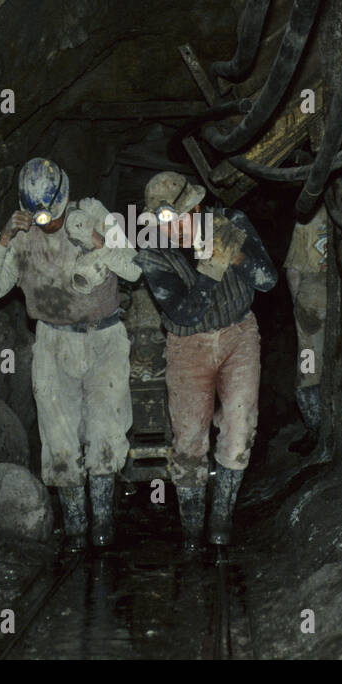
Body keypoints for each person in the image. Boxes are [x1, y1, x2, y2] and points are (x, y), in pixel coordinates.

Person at [0, 158, 138, 551]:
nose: (47, 221)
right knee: (59, 443)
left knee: (105, 435)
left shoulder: (96, 214)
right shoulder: (22, 237)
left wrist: (100, 243)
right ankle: (78, 532)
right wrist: (3, 238)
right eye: (39, 214)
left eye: (53, 213)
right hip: (52, 341)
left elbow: (134, 269)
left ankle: (103, 530)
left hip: (104, 339)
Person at [132, 171, 277, 551]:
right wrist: (212, 268)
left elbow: (268, 281)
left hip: (238, 335)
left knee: (239, 428)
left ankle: (221, 522)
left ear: (197, 207)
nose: (174, 228)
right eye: (165, 221)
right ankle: (192, 533)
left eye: (181, 217)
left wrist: (238, 254)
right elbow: (182, 314)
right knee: (189, 443)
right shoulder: (152, 251)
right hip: (187, 346)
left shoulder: (232, 224)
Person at [285, 206, 331, 463]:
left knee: (308, 366)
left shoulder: (307, 217)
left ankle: (315, 430)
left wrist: (297, 304)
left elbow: (293, 270)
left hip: (312, 297)